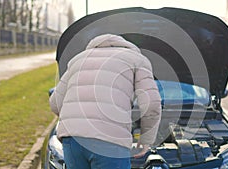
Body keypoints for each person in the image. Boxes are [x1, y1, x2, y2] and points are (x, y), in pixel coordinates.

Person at [49, 34, 162, 169]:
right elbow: (151, 104)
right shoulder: (137, 60)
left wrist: (76, 122)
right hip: (110, 140)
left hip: (72, 140)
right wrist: (146, 139)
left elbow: (55, 102)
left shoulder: (78, 60)